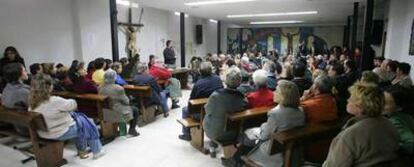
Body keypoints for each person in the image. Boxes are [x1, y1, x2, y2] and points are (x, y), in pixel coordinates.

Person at [28, 74, 105, 159]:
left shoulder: (32, 104)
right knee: (87, 122)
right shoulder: (54, 100)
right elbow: (73, 105)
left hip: (44, 133)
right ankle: (97, 151)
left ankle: (82, 151)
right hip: (59, 132)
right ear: (49, 87)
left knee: (81, 121)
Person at [323, 82, 399, 167]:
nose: (347, 100)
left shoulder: (349, 136)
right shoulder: (389, 124)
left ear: (360, 105)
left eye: (351, 98)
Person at [241, 80, 305, 167]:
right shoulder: (300, 111)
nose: (274, 92)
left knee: (245, 137)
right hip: (292, 151)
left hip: (273, 153)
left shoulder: (275, 113)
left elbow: (264, 136)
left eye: (277, 91)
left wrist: (263, 125)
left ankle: (238, 161)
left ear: (283, 96)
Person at [203, 66, 248, 156]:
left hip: (216, 132)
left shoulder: (216, 96)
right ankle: (213, 145)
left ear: (225, 80)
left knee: (211, 118)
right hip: (234, 133)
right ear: (239, 82)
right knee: (219, 119)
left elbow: (207, 110)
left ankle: (212, 147)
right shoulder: (241, 98)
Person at [178, 62, 223, 141]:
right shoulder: (218, 79)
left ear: (200, 71)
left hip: (202, 113)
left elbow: (191, 101)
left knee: (184, 110)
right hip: (217, 110)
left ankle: (186, 134)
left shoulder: (198, 84)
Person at [99, 69, 140, 137]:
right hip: (115, 113)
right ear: (114, 77)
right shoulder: (118, 88)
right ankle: (132, 130)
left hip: (105, 112)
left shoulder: (100, 87)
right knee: (135, 110)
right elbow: (127, 102)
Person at [383, 85, 414, 155]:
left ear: (399, 108)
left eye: (386, 103)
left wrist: (391, 146)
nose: (380, 104)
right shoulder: (407, 116)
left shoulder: (395, 122)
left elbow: (411, 144)